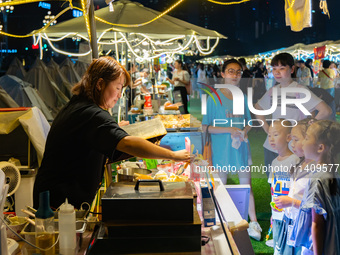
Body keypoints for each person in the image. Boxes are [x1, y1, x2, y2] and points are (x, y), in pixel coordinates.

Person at [33, 56, 190, 209]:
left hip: (55, 198)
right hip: (56, 205)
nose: (119, 95)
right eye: (118, 88)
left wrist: (113, 129)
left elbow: (92, 138)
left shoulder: (78, 106)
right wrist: (173, 156)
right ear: (100, 84)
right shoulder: (91, 114)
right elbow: (127, 143)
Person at [202, 59, 262, 241]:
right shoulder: (213, 97)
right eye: (231, 71)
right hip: (221, 150)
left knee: (247, 186)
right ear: (223, 74)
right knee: (220, 187)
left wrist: (244, 130)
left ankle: (253, 222)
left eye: (238, 72)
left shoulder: (241, 97)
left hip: (241, 147)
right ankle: (220, 222)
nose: (235, 75)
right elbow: (205, 127)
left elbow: (248, 122)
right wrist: (229, 130)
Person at [255, 53, 332, 176]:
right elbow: (257, 108)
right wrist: (266, 129)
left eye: (282, 68)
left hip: (292, 148)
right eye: (274, 69)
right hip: (272, 146)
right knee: (274, 182)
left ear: (291, 69)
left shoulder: (300, 90)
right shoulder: (273, 91)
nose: (277, 72)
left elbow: (326, 110)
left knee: (292, 182)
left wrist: (307, 128)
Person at [290, 120, 340, 255]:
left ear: (320, 148)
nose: (303, 143)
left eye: (306, 138)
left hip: (316, 247)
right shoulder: (334, 172)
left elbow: (317, 224)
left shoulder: (317, 178)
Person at [274, 118, 316, 255]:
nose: (292, 144)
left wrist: (291, 202)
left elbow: (317, 207)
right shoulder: (299, 164)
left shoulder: (317, 171)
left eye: (296, 140)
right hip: (291, 221)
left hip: (305, 227)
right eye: (292, 139)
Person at [267, 119, 300, 250]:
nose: (271, 139)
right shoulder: (274, 161)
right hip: (277, 213)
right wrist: (272, 214)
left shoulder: (295, 160)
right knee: (278, 247)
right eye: (269, 135)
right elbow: (272, 188)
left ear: (288, 137)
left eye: (276, 134)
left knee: (288, 248)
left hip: (290, 215)